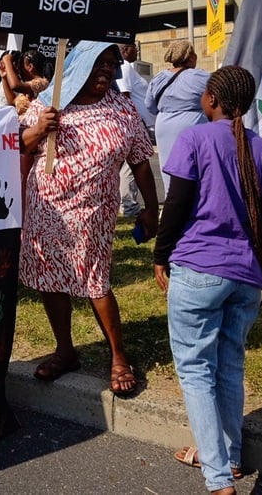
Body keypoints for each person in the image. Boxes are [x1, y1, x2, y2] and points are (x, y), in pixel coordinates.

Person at [152, 66, 262, 495]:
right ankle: (228, 460)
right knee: (229, 366)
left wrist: (160, 255)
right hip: (246, 275)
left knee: (195, 372)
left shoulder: (194, 138)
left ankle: (217, 480)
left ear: (211, 99)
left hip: (198, 270)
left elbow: (176, 204)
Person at [19, 42, 158, 396]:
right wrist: (39, 129)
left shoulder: (122, 109)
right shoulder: (49, 103)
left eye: (112, 64)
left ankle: (118, 356)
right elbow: (17, 145)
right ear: (79, 64)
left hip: (94, 211)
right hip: (46, 207)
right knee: (50, 279)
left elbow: (141, 161)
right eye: (100, 62)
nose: (107, 69)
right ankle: (65, 350)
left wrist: (150, 207)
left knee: (95, 281)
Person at [146, 40, 210, 195]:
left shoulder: (159, 78)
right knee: (195, 169)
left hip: (164, 126)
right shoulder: (200, 77)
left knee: (169, 168)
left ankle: (172, 202)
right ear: (191, 57)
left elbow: (150, 105)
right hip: (192, 125)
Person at [115, 42, 156, 219]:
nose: (137, 51)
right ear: (125, 50)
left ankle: (127, 204)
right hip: (135, 123)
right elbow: (125, 96)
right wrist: (133, 123)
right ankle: (129, 206)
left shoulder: (127, 67)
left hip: (137, 122)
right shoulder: (123, 67)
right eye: (134, 48)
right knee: (131, 166)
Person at [0, 49, 49, 115]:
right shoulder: (27, 86)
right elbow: (12, 101)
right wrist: (4, 77)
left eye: (21, 66)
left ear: (30, 67)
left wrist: (7, 61)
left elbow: (15, 86)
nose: (19, 70)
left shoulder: (42, 83)